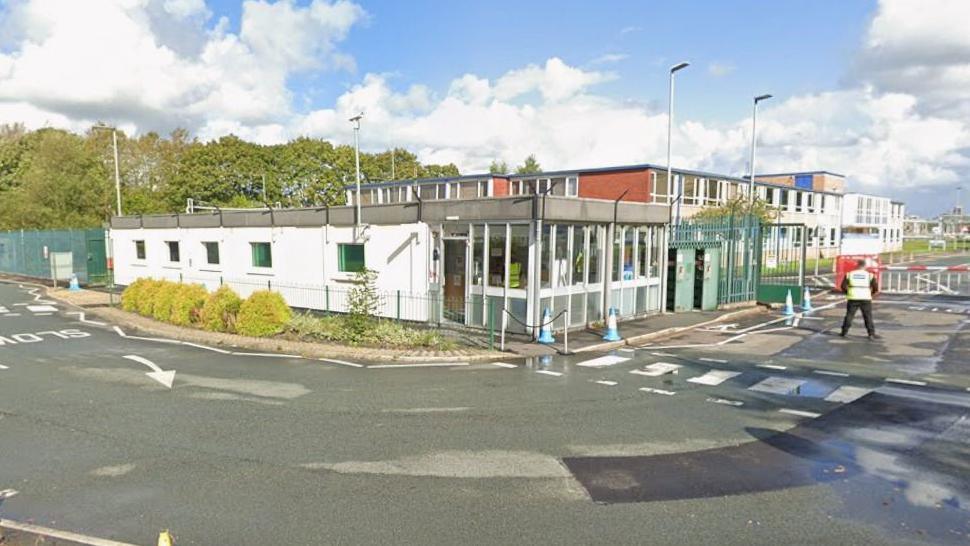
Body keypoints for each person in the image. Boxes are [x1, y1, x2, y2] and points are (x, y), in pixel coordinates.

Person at [840, 259, 881, 340]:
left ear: (857, 265)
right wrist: (871, 294)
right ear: (865, 266)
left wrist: (848, 292)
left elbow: (843, 286)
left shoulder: (849, 274)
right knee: (868, 316)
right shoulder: (869, 275)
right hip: (865, 298)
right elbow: (875, 288)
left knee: (849, 315)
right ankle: (871, 334)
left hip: (853, 297)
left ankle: (844, 332)